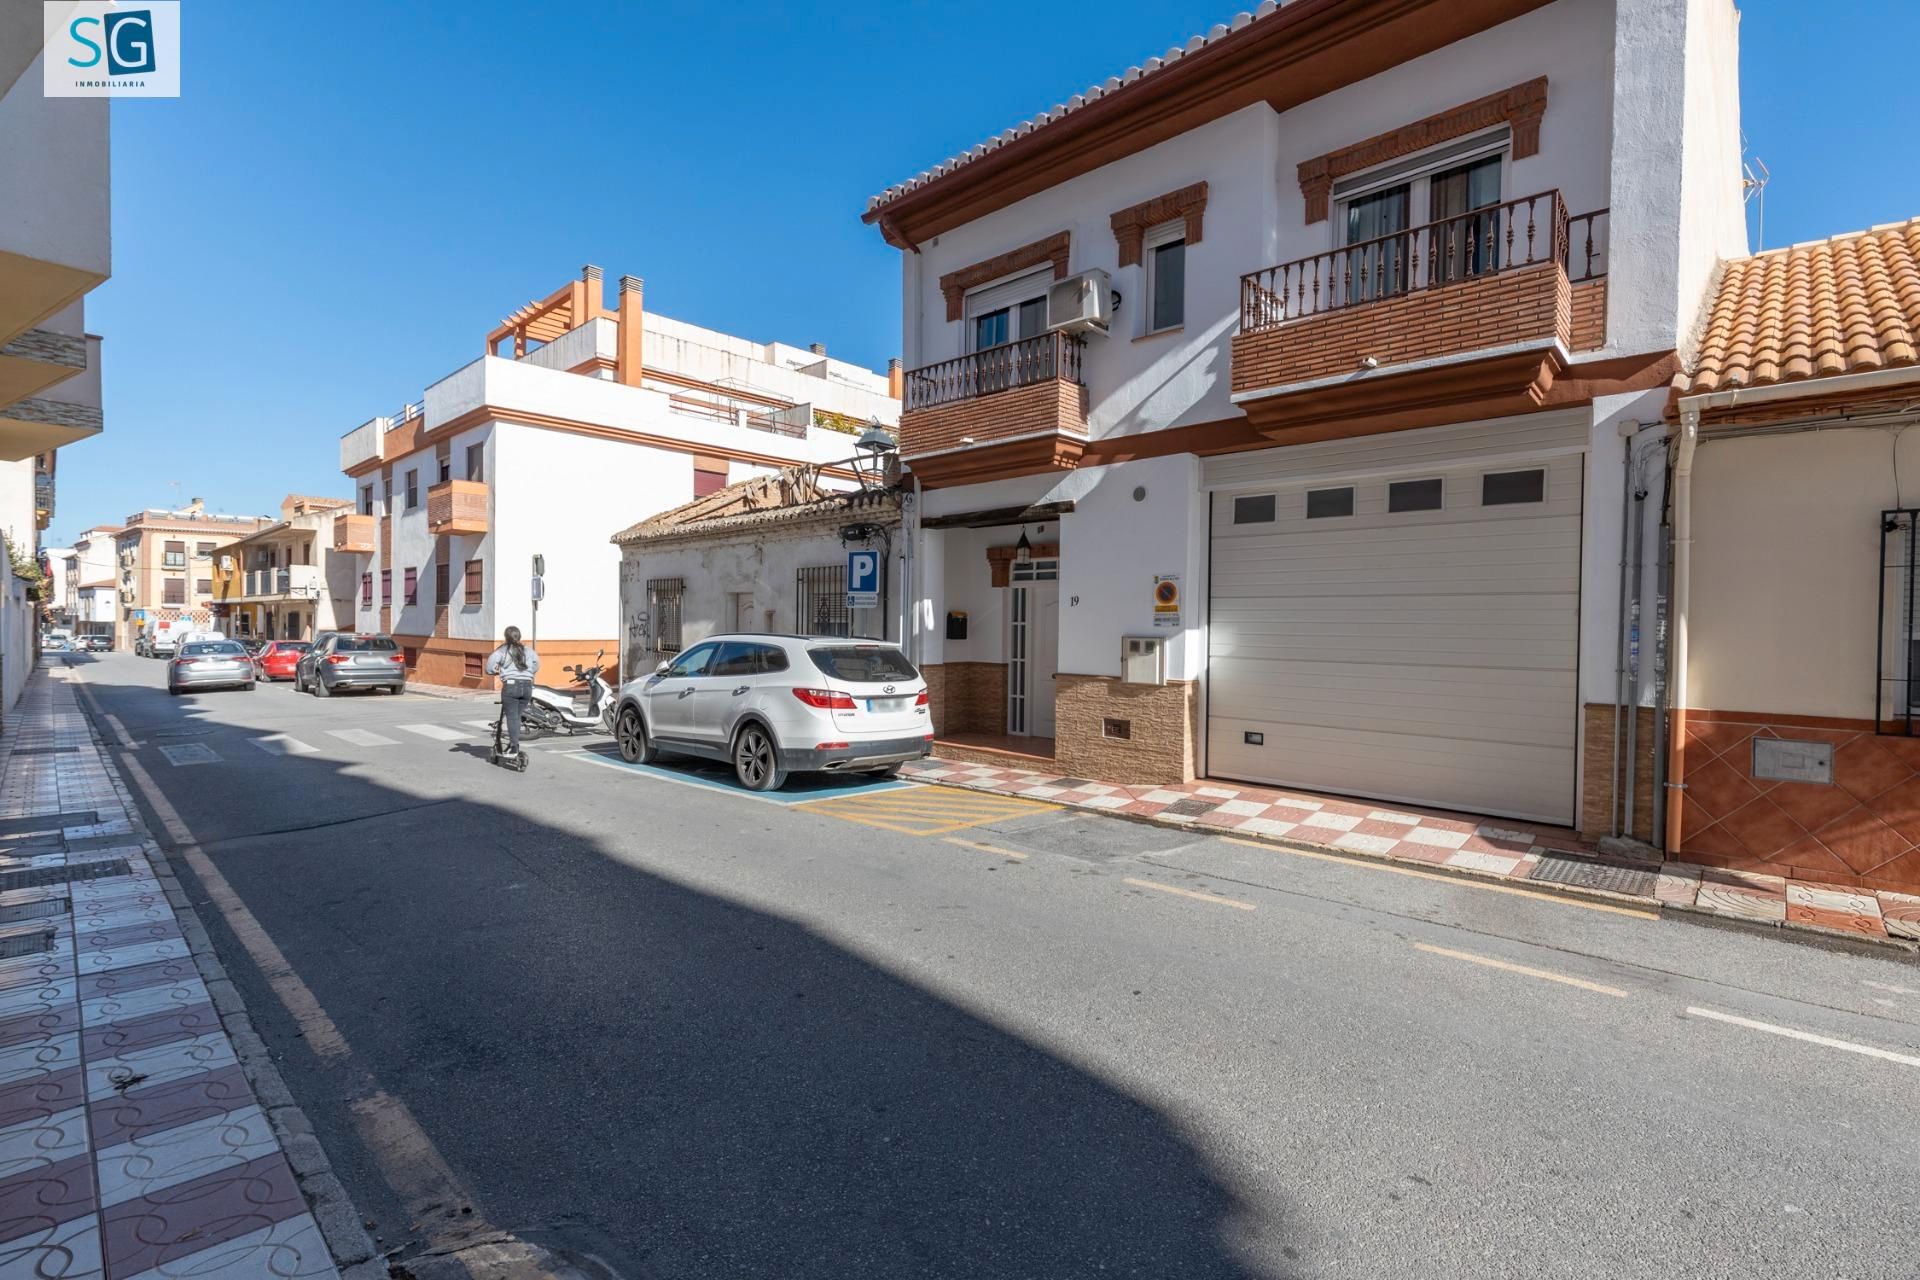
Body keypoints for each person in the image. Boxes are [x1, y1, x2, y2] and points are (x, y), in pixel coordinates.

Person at [485, 626, 540, 757]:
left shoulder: (502, 651)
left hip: (511, 687)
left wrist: (496, 672)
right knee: (517, 717)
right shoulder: (529, 650)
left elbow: (489, 668)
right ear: (519, 636)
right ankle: (512, 743)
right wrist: (527, 673)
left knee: (512, 718)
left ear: (506, 637)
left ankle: (514, 747)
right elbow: (536, 665)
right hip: (527, 686)